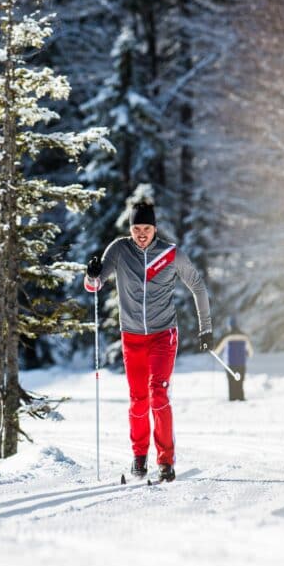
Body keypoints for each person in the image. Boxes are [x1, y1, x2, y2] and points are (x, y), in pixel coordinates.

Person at [84, 202, 212, 482]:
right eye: (136, 228)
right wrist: (91, 275)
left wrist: (206, 330)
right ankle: (139, 457)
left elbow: (198, 286)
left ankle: (165, 461)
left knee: (158, 394)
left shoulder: (169, 254)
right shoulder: (119, 250)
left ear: (155, 228)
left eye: (147, 228)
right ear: (130, 229)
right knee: (138, 400)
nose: (142, 234)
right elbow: (95, 285)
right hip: (131, 337)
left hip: (163, 335)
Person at [214, 316, 254, 402]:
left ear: (229, 325)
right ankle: (241, 397)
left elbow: (217, 350)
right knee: (240, 382)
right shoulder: (244, 336)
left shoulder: (226, 336)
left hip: (230, 364)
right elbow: (250, 352)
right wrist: (246, 355)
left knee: (231, 382)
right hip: (241, 363)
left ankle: (232, 398)